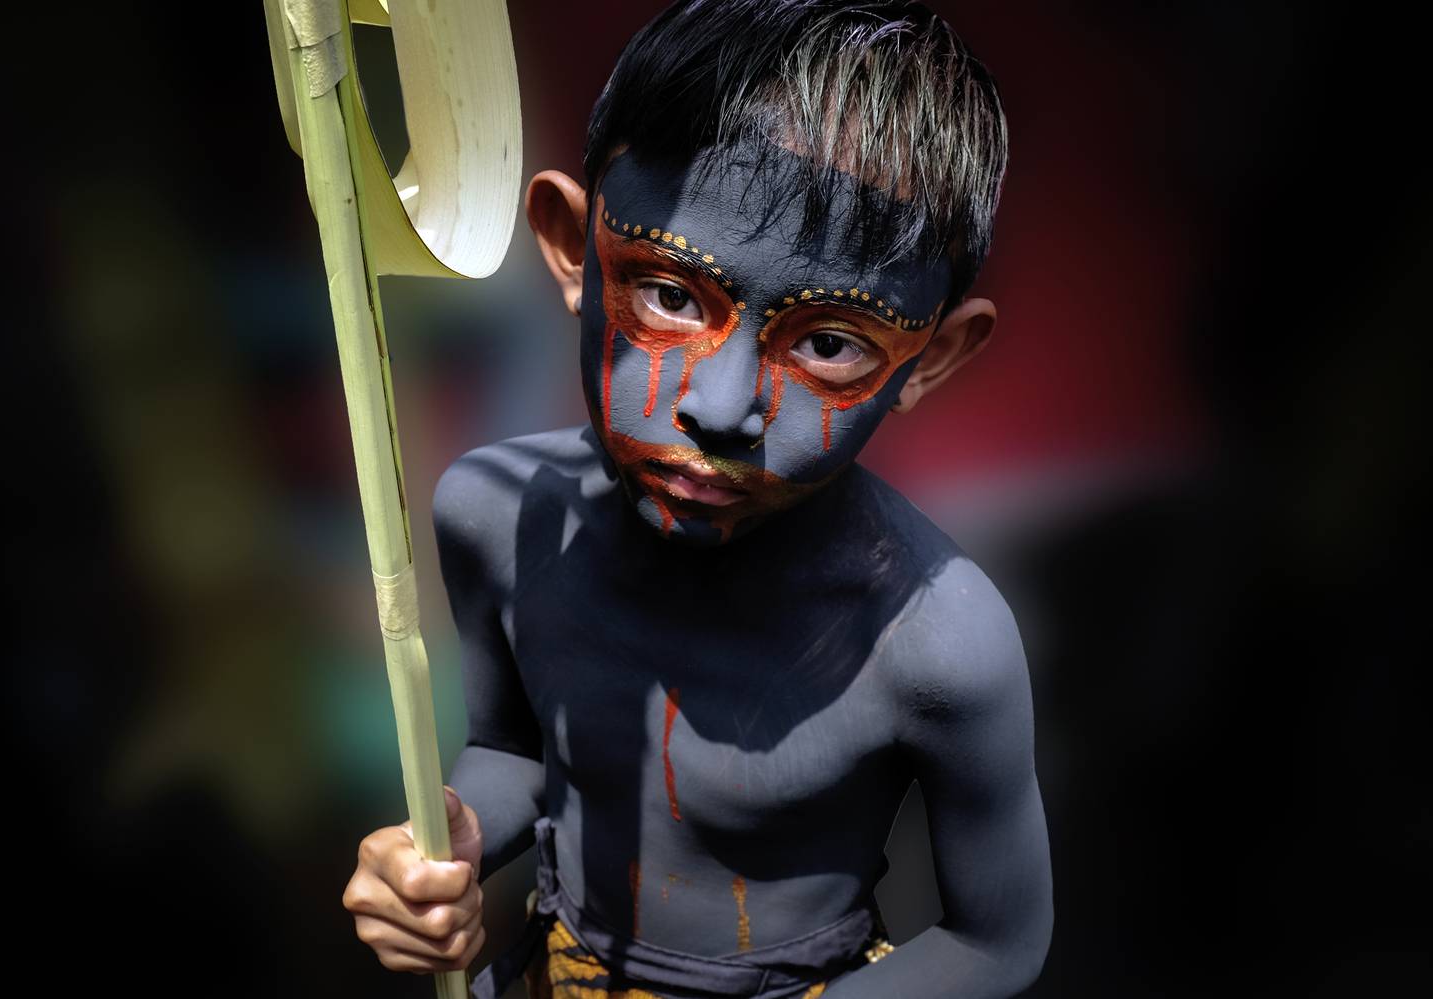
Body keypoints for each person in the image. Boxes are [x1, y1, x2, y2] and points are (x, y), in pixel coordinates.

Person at [341, 2, 1053, 996]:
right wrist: (448, 841)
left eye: (828, 343)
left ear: (929, 358)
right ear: (571, 248)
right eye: (670, 295)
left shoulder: (936, 641)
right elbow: (517, 750)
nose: (720, 408)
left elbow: (995, 941)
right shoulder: (499, 519)